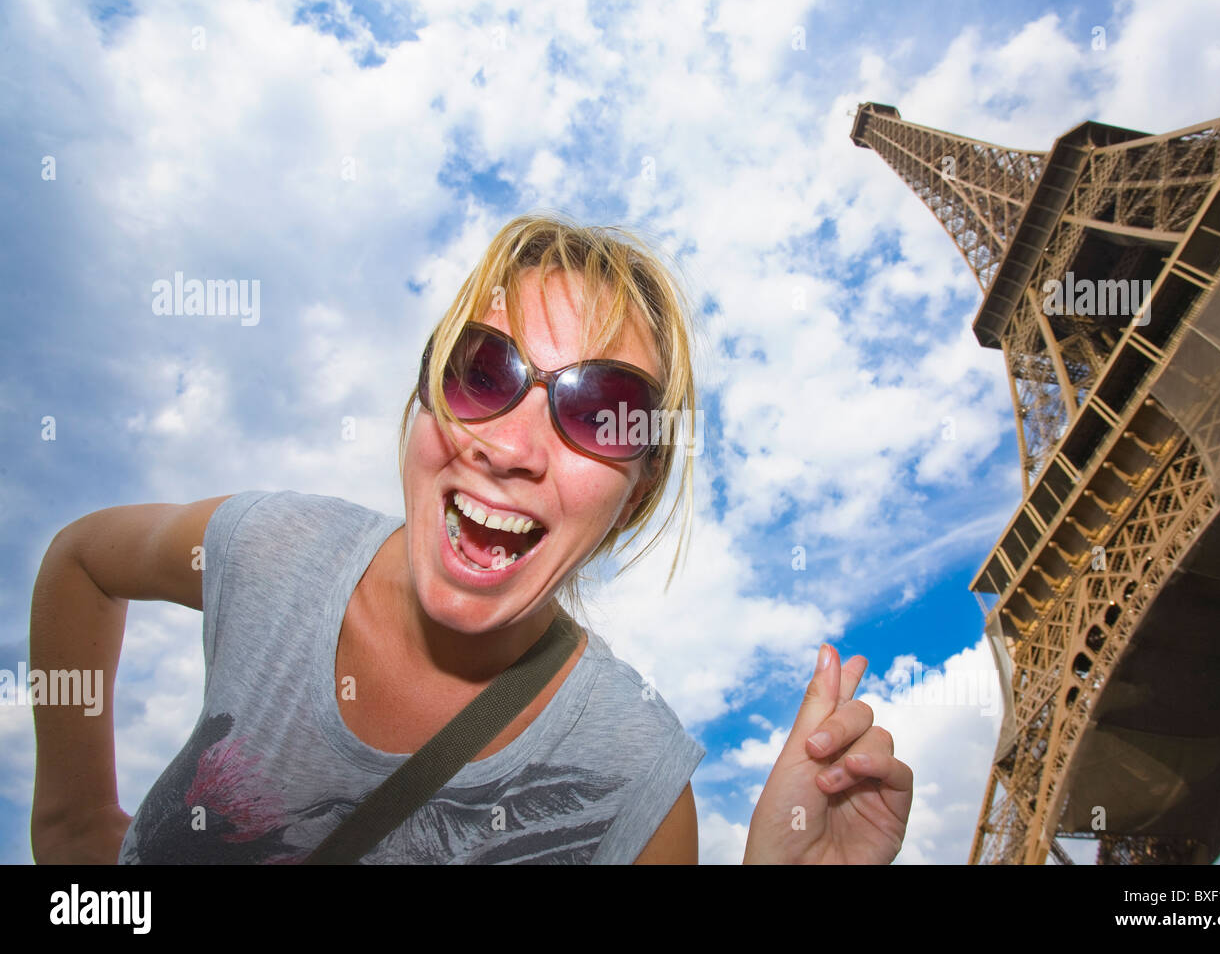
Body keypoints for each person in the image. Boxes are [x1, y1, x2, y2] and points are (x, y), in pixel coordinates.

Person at [29, 212, 913, 864]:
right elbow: (81, 562)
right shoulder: (273, 550)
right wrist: (72, 830)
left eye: (601, 413)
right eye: (483, 369)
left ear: (635, 494)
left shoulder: (635, 793)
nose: (512, 447)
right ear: (425, 393)